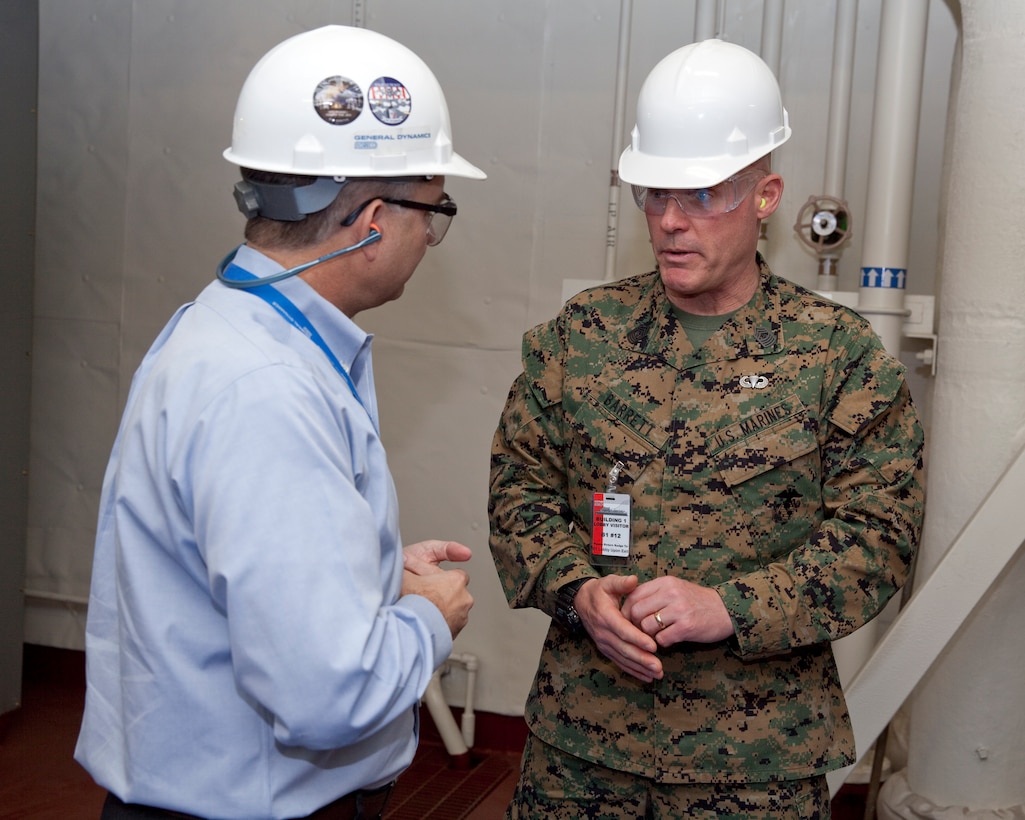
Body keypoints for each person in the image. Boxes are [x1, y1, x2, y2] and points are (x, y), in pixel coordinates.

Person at [489, 38, 924, 819]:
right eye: (653, 194)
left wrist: (734, 606)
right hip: (584, 749)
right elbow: (518, 493)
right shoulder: (580, 335)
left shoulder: (837, 356)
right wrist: (575, 589)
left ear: (765, 196)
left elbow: (877, 538)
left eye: (701, 196)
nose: (670, 222)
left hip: (754, 764)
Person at [75, 24, 484, 820]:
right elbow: (327, 694)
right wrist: (429, 618)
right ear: (373, 220)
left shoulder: (232, 330)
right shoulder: (263, 385)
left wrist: (361, 571)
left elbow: (230, 565)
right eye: (433, 214)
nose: (429, 238)